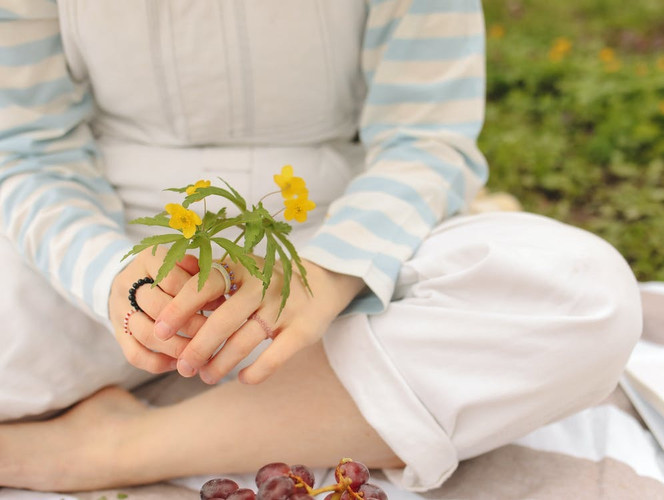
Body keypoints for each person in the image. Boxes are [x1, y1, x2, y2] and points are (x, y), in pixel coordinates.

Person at [0, 0, 642, 493]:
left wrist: (326, 272)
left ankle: (117, 447)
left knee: (583, 296)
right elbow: (28, 149)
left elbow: (426, 140)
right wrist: (111, 277)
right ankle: (327, 407)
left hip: (337, 239)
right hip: (115, 247)